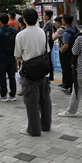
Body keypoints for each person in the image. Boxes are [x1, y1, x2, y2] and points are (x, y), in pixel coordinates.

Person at [15, 8, 52, 136]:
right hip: (43, 71)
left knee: (31, 102)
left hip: (29, 73)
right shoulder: (42, 32)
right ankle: (46, 126)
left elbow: (18, 55)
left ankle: (34, 130)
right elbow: (46, 50)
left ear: (24, 20)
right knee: (45, 100)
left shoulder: (21, 35)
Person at [0, 13, 17, 102]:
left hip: (2, 56)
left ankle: (3, 95)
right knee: (12, 76)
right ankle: (13, 95)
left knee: (2, 76)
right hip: (12, 56)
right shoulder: (14, 30)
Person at [60, 14, 79, 95]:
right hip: (75, 52)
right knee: (73, 70)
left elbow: (65, 45)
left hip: (68, 54)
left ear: (64, 21)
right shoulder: (75, 28)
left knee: (68, 71)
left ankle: (71, 88)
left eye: (62, 19)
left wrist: (61, 52)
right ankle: (72, 86)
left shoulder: (66, 32)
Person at [52, 16, 66, 88]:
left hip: (62, 50)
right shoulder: (65, 28)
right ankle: (65, 82)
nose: (55, 25)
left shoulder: (60, 29)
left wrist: (54, 31)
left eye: (56, 23)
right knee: (65, 67)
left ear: (59, 22)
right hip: (66, 49)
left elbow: (54, 38)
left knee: (64, 67)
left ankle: (65, 83)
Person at [42, 10, 55, 81]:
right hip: (51, 41)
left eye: (44, 15)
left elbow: (42, 31)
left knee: (48, 57)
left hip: (48, 41)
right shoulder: (51, 22)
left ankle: (50, 75)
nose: (43, 16)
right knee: (49, 57)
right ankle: (51, 75)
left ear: (47, 16)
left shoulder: (48, 23)